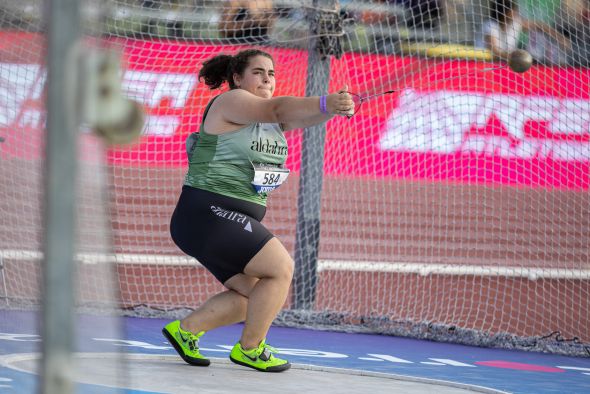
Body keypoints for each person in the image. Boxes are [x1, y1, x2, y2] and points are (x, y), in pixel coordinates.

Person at [162, 49, 354, 372]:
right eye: (258, 72)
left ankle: (186, 331)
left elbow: (299, 116)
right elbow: (278, 107)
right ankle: (251, 348)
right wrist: (325, 101)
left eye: (272, 73)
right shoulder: (232, 102)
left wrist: (334, 108)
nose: (267, 78)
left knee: (257, 297)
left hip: (214, 219)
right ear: (237, 78)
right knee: (280, 269)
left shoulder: (271, 122)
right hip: (207, 210)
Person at [483, 0, 569, 63]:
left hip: (506, 63)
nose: (516, 13)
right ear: (504, 12)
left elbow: (539, 26)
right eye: (513, 11)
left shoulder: (515, 24)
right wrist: (519, 56)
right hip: (484, 62)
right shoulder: (490, 25)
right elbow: (495, 52)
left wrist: (559, 37)